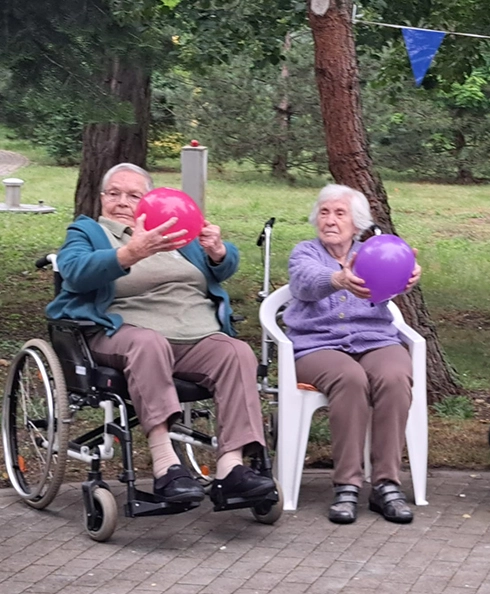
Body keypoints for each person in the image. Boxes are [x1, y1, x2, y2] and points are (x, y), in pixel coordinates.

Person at [47, 163, 274, 506]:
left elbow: (223, 269)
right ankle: (166, 464)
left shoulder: (174, 233)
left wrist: (218, 252)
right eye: (114, 193)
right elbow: (75, 273)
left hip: (194, 334)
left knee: (237, 352)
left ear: (148, 200)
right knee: (149, 342)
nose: (122, 201)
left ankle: (231, 467)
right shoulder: (88, 232)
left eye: (133, 195)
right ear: (102, 198)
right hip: (120, 333)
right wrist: (130, 253)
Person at [283, 184, 422, 525]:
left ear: (356, 223)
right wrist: (338, 279)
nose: (329, 220)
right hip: (318, 345)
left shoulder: (375, 251)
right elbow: (304, 282)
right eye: (325, 212)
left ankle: (386, 485)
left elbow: (390, 284)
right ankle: (347, 484)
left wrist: (407, 276)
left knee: (394, 376)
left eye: (339, 213)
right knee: (350, 378)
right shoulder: (304, 252)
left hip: (374, 339)